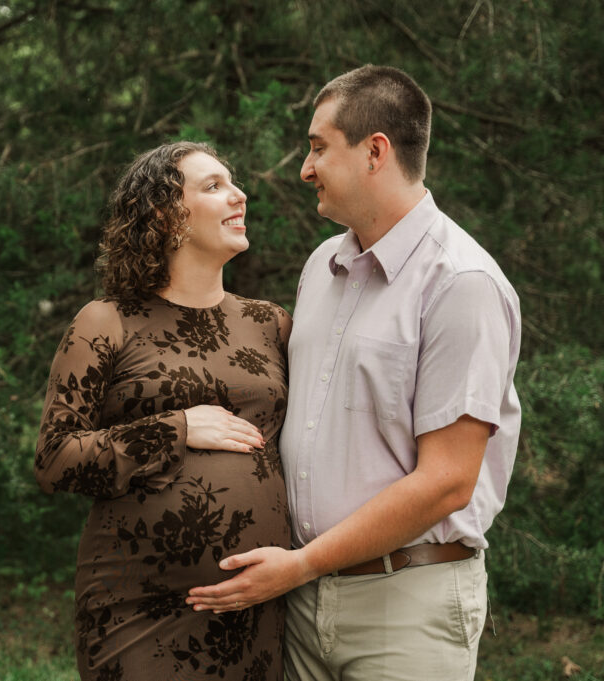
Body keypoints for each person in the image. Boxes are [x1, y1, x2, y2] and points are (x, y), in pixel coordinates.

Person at [186, 65, 522, 680]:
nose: (304, 168)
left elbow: (448, 481)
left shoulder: (461, 284)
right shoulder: (321, 266)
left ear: (375, 151)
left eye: (318, 148)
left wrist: (302, 563)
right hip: (299, 604)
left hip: (405, 608)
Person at [34, 141, 293, 681]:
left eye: (233, 181)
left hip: (258, 606)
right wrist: (176, 428)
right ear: (164, 215)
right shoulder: (107, 320)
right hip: (139, 610)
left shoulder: (270, 324)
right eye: (214, 186)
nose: (240, 195)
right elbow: (55, 459)